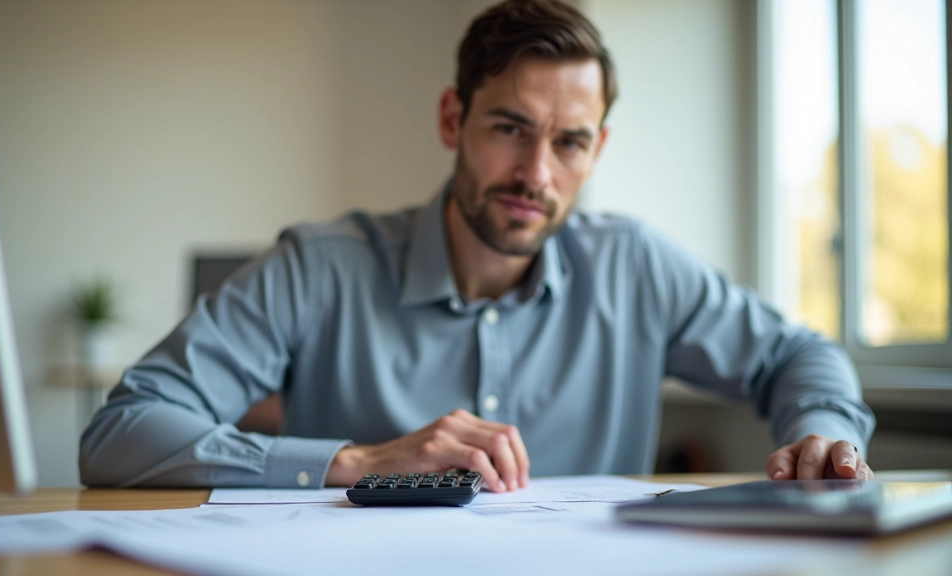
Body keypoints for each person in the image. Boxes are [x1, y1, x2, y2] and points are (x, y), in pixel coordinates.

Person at [79, 0, 875, 492]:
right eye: (510, 129)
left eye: (569, 143)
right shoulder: (319, 266)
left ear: (595, 153)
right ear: (453, 121)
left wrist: (822, 435)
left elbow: (796, 355)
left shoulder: (636, 267)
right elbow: (120, 433)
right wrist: (353, 461)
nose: (537, 172)